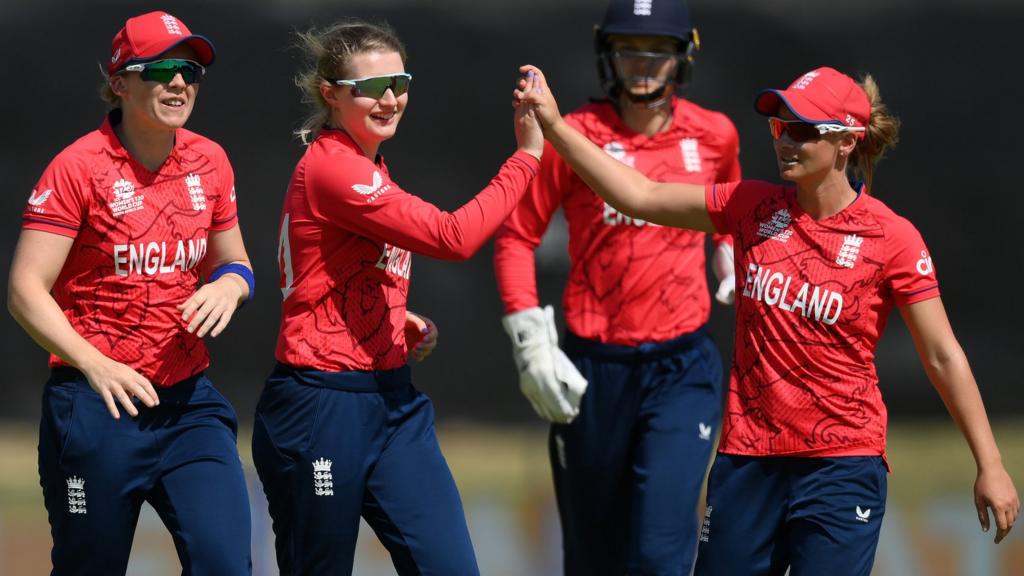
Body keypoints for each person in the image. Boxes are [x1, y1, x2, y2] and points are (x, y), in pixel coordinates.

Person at [513, 64, 1020, 574]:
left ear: (847, 141)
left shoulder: (893, 238)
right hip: (748, 459)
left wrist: (990, 464)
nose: (785, 141)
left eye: (803, 130)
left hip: (841, 465)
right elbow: (639, 195)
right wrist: (556, 127)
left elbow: (941, 354)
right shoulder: (750, 206)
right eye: (780, 127)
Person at [250, 18, 543, 576]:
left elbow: (331, 268)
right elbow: (452, 237)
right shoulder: (335, 167)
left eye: (399, 83)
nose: (389, 99)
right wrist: (527, 156)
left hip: (392, 402)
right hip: (320, 405)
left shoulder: (369, 160)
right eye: (369, 88)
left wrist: (393, 316)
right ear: (332, 95)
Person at [493, 1, 739, 574]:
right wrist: (531, 342)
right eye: (629, 49)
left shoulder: (715, 134)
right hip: (594, 369)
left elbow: (730, 213)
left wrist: (729, 255)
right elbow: (516, 237)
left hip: (682, 366)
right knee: (593, 557)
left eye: (659, 51)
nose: (643, 65)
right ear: (608, 55)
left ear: (684, 56)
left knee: (659, 552)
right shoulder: (573, 135)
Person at [8, 10, 254, 575]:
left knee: (226, 564)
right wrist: (96, 366)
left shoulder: (209, 159)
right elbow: (25, 289)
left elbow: (235, 262)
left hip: (188, 403)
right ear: (120, 82)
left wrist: (233, 285)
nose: (179, 83)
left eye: (191, 71)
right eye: (162, 69)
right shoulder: (77, 167)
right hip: (98, 406)